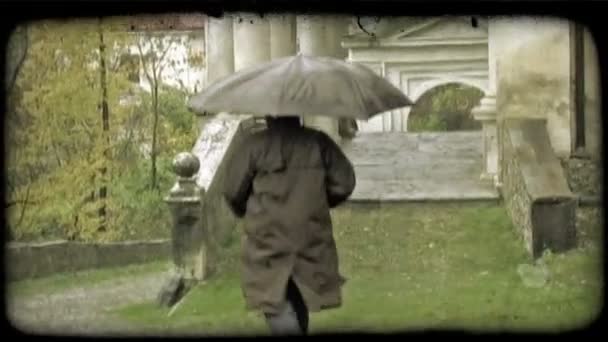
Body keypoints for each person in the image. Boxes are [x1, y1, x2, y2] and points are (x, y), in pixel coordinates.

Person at [223, 115, 356, 335]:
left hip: (267, 239)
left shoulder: (254, 146)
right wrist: (318, 202)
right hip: (309, 237)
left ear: (268, 114)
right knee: (297, 297)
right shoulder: (318, 142)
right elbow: (344, 183)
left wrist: (244, 210)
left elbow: (233, 191)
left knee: (274, 301)